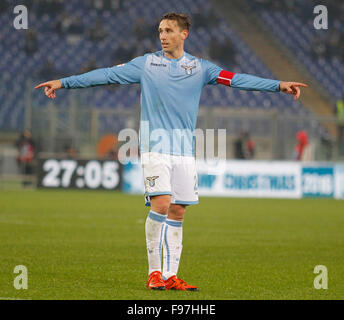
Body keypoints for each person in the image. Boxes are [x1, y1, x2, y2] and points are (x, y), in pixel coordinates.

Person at [35, 12, 307, 291]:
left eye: (168, 30)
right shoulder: (146, 64)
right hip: (155, 148)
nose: (162, 36)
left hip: (185, 152)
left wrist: (278, 86)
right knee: (162, 205)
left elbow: (236, 79)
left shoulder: (202, 68)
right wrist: (63, 82)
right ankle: (154, 273)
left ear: (183, 34)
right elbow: (105, 75)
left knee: (178, 211)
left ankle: (170, 276)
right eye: (160, 31)